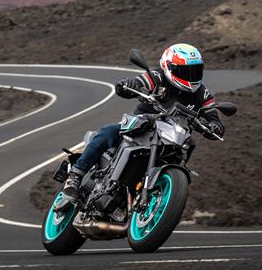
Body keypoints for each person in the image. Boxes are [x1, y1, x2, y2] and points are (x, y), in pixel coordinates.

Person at [61, 43, 224, 203]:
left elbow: (213, 117)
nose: (191, 75)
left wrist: (214, 126)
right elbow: (141, 82)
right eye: (185, 71)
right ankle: (76, 176)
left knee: (189, 144)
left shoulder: (202, 94)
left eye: (195, 70)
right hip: (141, 127)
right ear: (170, 67)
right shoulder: (158, 77)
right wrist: (129, 85)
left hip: (173, 137)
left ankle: (166, 187)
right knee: (107, 131)